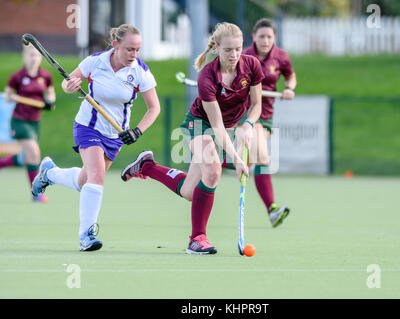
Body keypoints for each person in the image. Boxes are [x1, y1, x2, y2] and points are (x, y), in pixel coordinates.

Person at [121, 22, 264, 255]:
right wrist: (237, 159)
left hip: (227, 127)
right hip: (199, 123)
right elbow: (216, 125)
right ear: (216, 47)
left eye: (238, 48)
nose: (235, 54)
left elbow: (257, 105)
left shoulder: (252, 66)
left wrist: (248, 124)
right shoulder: (207, 76)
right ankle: (197, 239)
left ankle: (147, 166)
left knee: (190, 191)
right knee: (213, 170)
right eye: (228, 50)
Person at [31, 24, 161, 251]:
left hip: (116, 134)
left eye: (137, 50)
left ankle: (49, 173)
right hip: (88, 127)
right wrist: (70, 86)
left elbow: (154, 108)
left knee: (85, 182)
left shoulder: (140, 71)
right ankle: (86, 236)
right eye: (129, 49)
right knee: (97, 176)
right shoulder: (96, 61)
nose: (134, 55)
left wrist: (137, 130)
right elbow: (67, 82)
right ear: (116, 45)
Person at [241, 18, 297, 227]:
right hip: (244, 112)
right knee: (262, 158)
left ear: (274, 38)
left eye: (269, 37)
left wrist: (289, 88)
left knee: (252, 159)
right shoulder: (244, 54)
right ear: (254, 37)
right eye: (261, 36)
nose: (265, 40)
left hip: (266, 114)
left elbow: (290, 77)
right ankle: (272, 208)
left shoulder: (281, 56)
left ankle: (215, 167)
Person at [1, 44, 55, 203]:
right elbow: (7, 95)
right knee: (34, 153)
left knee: (27, 157)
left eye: (37, 55)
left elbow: (50, 93)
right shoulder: (17, 77)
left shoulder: (45, 76)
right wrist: (14, 97)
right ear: (25, 57)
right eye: (31, 55)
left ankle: (1, 163)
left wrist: (49, 101)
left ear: (40, 58)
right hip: (19, 120)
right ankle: (36, 193)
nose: (34, 58)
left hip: (34, 122)